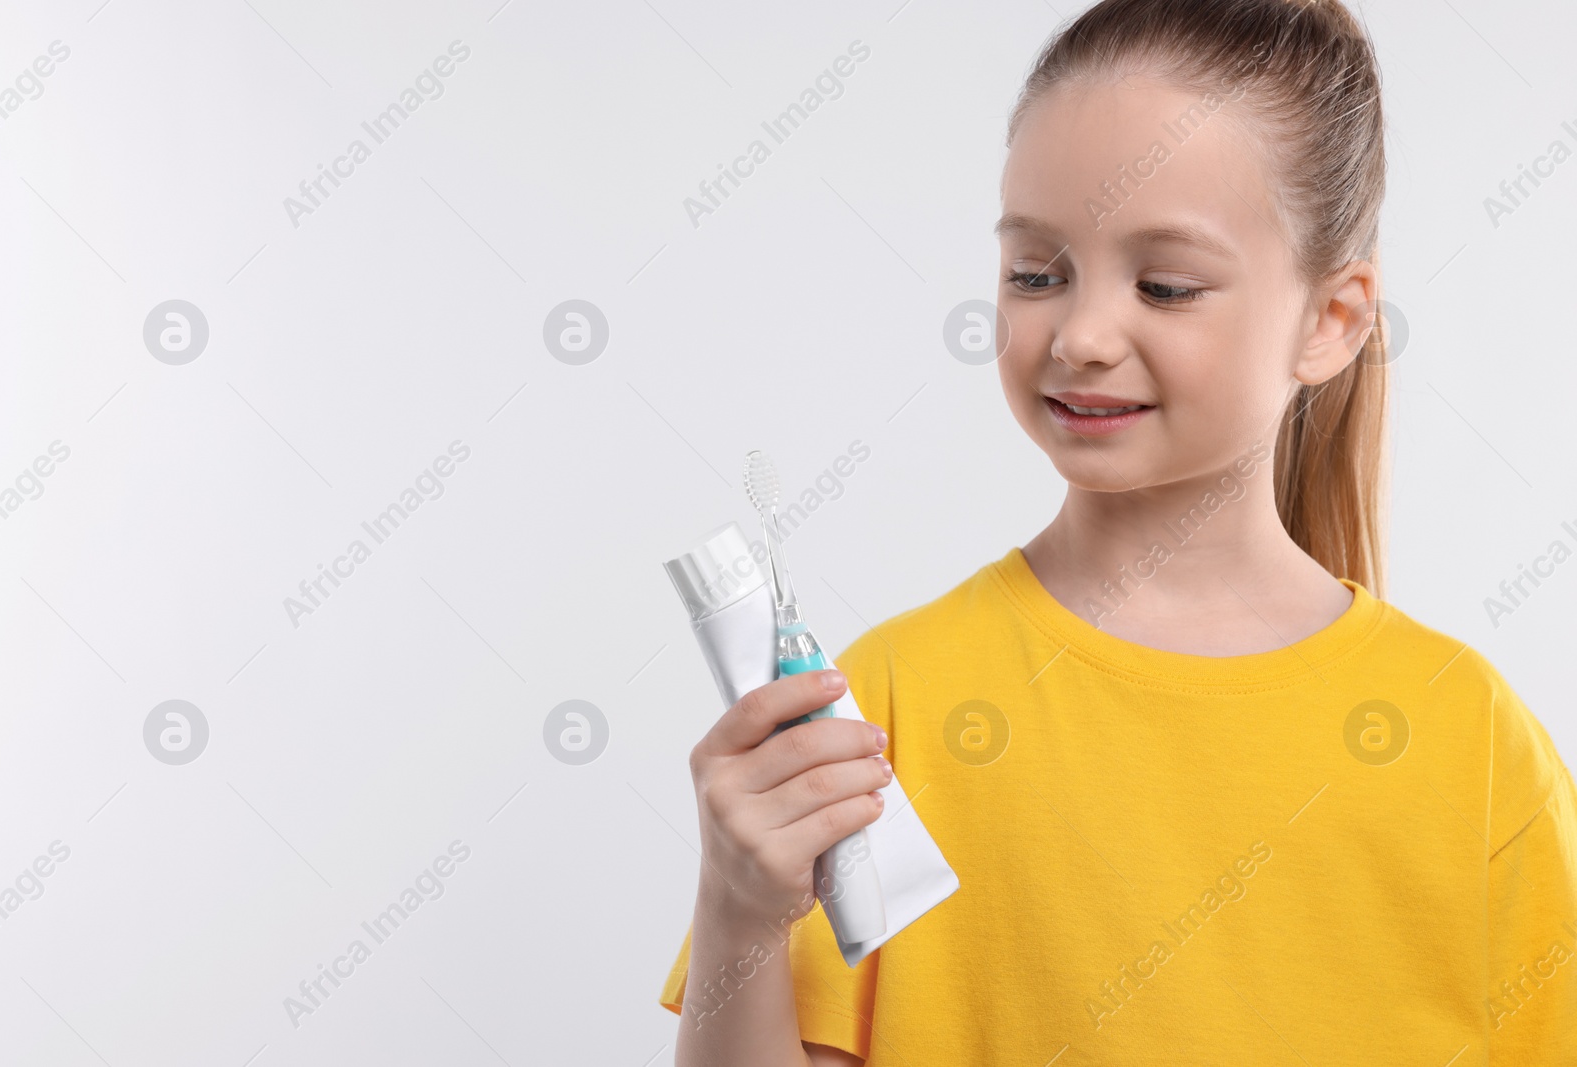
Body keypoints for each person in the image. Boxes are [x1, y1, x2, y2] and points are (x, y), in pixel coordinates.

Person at [658, 0, 1577, 1062]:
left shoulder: (1468, 742)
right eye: (1035, 273)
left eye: (1165, 284)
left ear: (1330, 321)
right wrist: (738, 904)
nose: (1081, 334)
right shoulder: (890, 709)